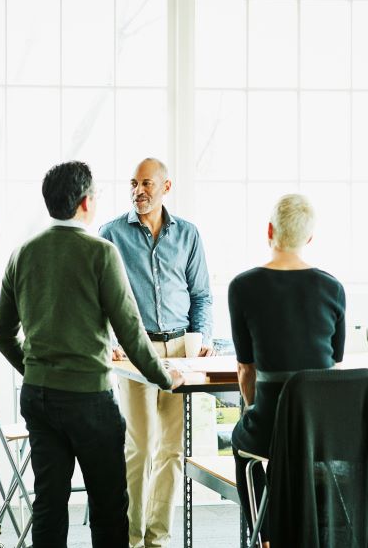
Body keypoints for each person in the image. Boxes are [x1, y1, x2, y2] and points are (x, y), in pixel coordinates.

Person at [0, 160, 184, 548]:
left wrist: (34, 370)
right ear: (85, 202)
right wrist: (165, 376)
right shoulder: (101, 252)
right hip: (88, 400)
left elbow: (1, 334)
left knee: (48, 502)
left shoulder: (22, 254)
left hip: (39, 397)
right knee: (109, 503)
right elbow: (130, 331)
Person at [99, 157, 212, 548]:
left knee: (173, 449)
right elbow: (100, 296)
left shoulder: (189, 234)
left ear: (166, 187)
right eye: (133, 183)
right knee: (141, 446)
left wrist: (204, 336)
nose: (138, 191)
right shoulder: (111, 233)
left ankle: (157, 538)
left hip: (182, 349)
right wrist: (111, 340)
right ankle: (130, 538)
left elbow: (201, 295)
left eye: (146, 183)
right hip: (135, 349)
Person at [228, 194, 345, 547]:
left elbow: (246, 369)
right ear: (309, 239)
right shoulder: (332, 287)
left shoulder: (242, 287)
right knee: (297, 453)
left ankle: (263, 537)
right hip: (319, 431)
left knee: (240, 441)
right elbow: (332, 367)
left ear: (269, 230)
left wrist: (252, 407)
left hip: (269, 429)